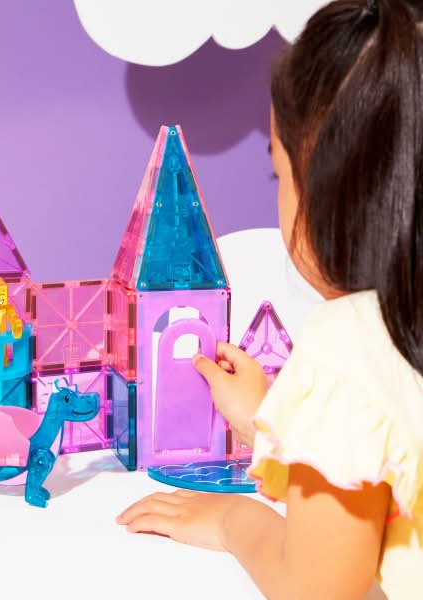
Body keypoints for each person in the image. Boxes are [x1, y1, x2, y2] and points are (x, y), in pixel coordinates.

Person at [116, 1, 423, 597]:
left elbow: (317, 588)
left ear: (333, 192)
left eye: (280, 174)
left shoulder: (349, 341)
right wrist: (274, 429)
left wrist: (235, 521)